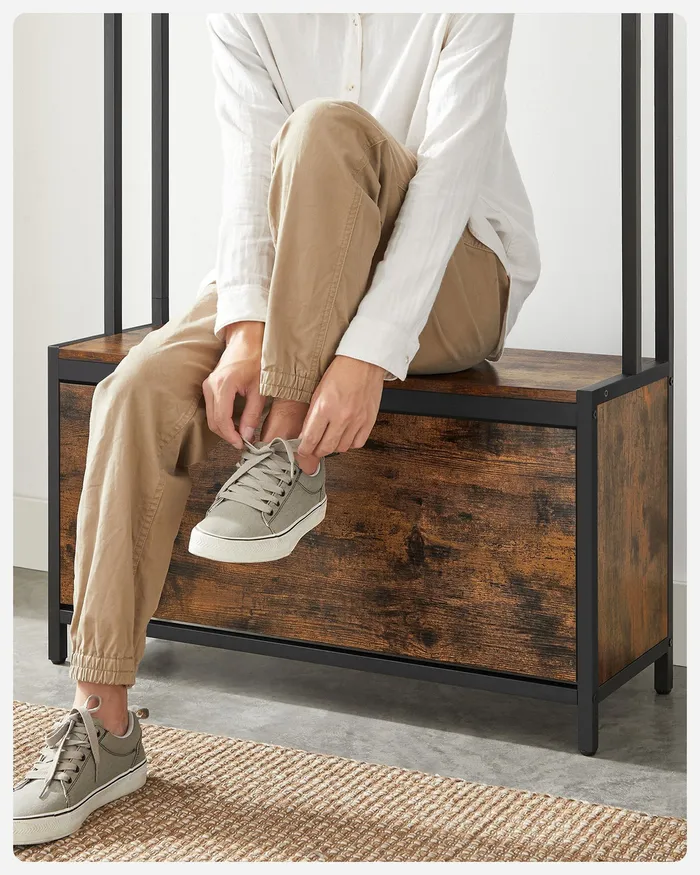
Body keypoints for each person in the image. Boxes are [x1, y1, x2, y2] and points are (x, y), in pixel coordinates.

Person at [13, 13, 540, 845]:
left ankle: (289, 448)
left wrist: (364, 355)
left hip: (454, 278)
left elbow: (446, 185)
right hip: (298, 279)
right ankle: (103, 721)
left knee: (327, 126)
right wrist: (247, 330)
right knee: (135, 389)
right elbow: (248, 176)